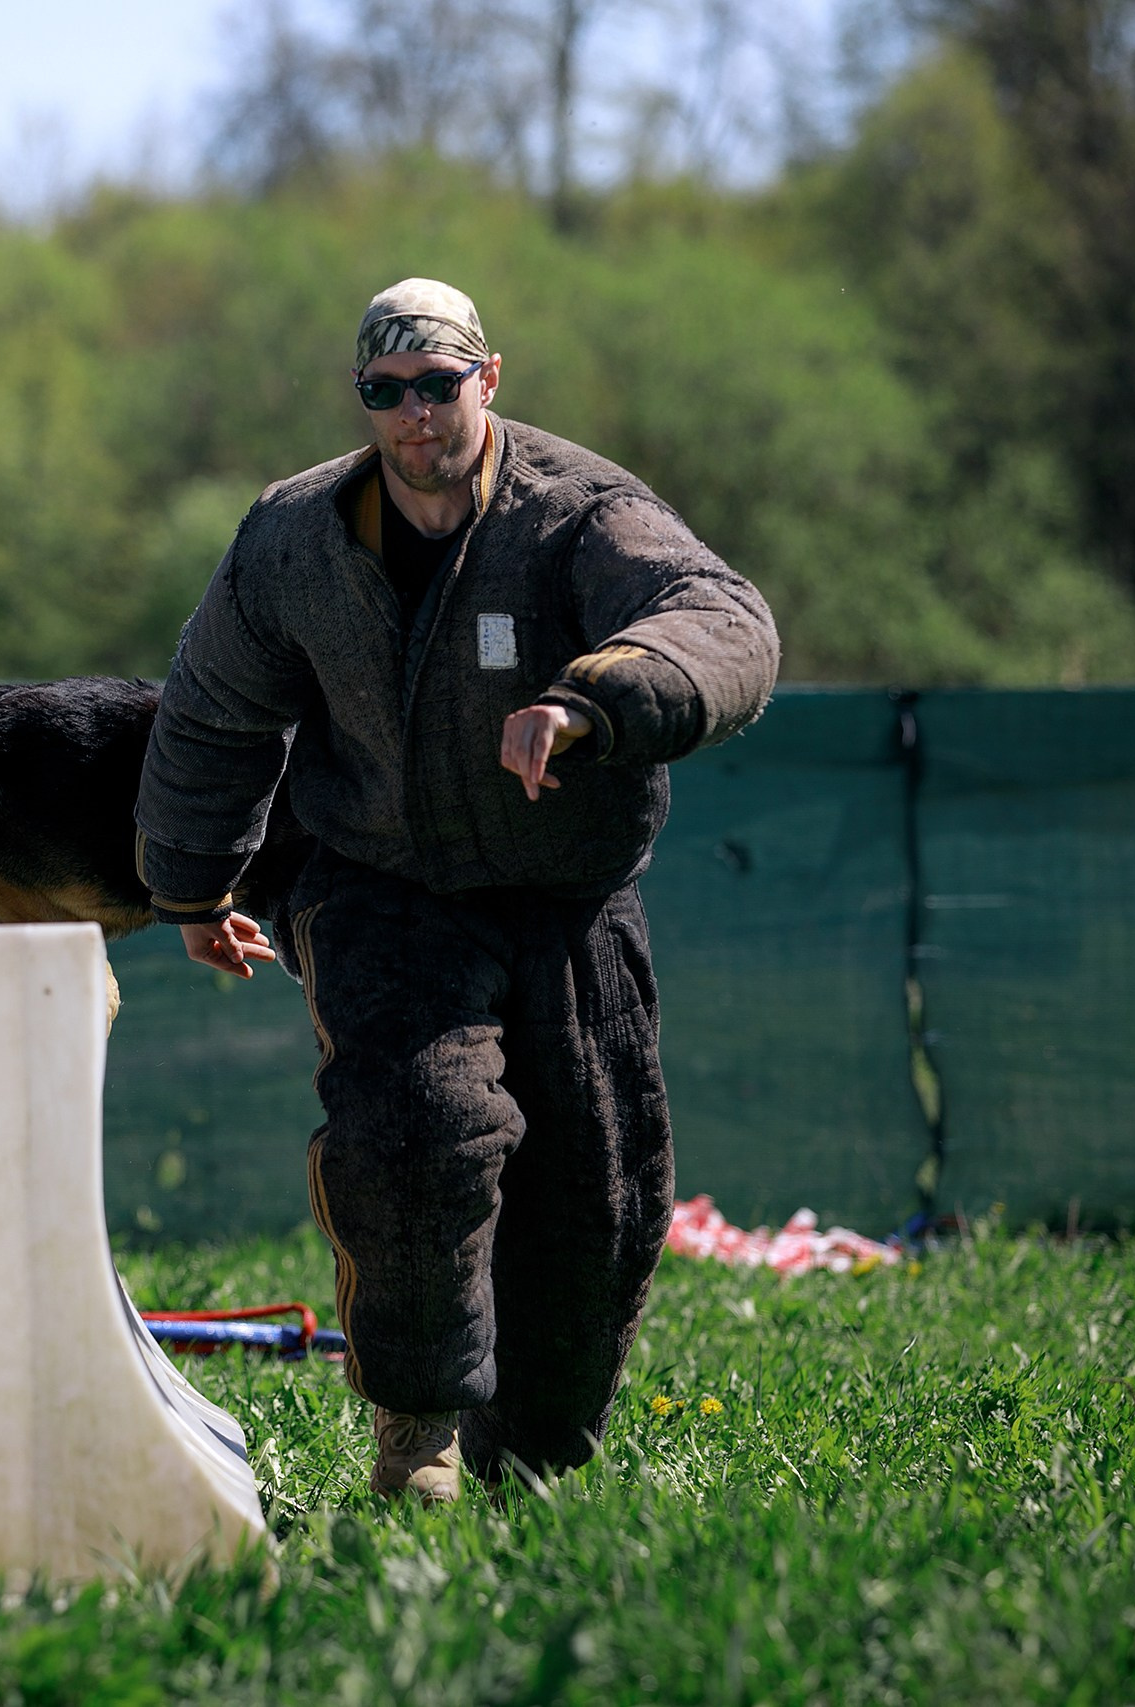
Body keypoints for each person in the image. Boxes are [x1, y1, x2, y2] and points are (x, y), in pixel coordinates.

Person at [135, 279, 779, 1501]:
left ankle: (525, 1464)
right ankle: (417, 1431)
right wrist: (188, 887)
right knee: (415, 1137)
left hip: (567, 895)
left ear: (489, 378)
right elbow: (214, 711)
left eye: (438, 385)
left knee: (598, 1200)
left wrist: (598, 695)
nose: (415, 415)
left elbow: (721, 620)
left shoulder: (579, 512)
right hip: (384, 889)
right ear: (363, 402)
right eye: (386, 393)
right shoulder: (292, 537)